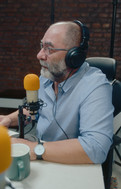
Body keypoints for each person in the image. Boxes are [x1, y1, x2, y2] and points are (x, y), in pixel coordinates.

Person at [0, 20, 114, 164]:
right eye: (42, 46)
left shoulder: (95, 85)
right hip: (44, 156)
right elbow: (34, 109)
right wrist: (9, 119)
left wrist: (35, 149)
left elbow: (96, 147)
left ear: (74, 56)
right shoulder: (47, 77)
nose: (39, 55)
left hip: (73, 164)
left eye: (49, 49)